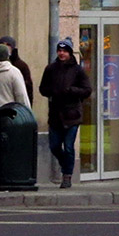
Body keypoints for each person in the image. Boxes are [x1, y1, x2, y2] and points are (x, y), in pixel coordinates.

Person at [39, 38, 92, 189]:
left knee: (68, 146)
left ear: (69, 53)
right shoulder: (50, 69)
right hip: (55, 114)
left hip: (72, 115)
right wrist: (52, 91)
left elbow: (87, 90)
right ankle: (65, 166)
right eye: (59, 51)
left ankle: (67, 175)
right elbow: (43, 88)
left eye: (65, 51)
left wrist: (72, 91)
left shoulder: (77, 70)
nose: (62, 53)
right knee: (55, 146)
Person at [0, 35, 34, 106]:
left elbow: (27, 90)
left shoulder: (21, 66)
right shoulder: (14, 72)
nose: (6, 47)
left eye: (8, 44)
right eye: (2, 44)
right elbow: (21, 95)